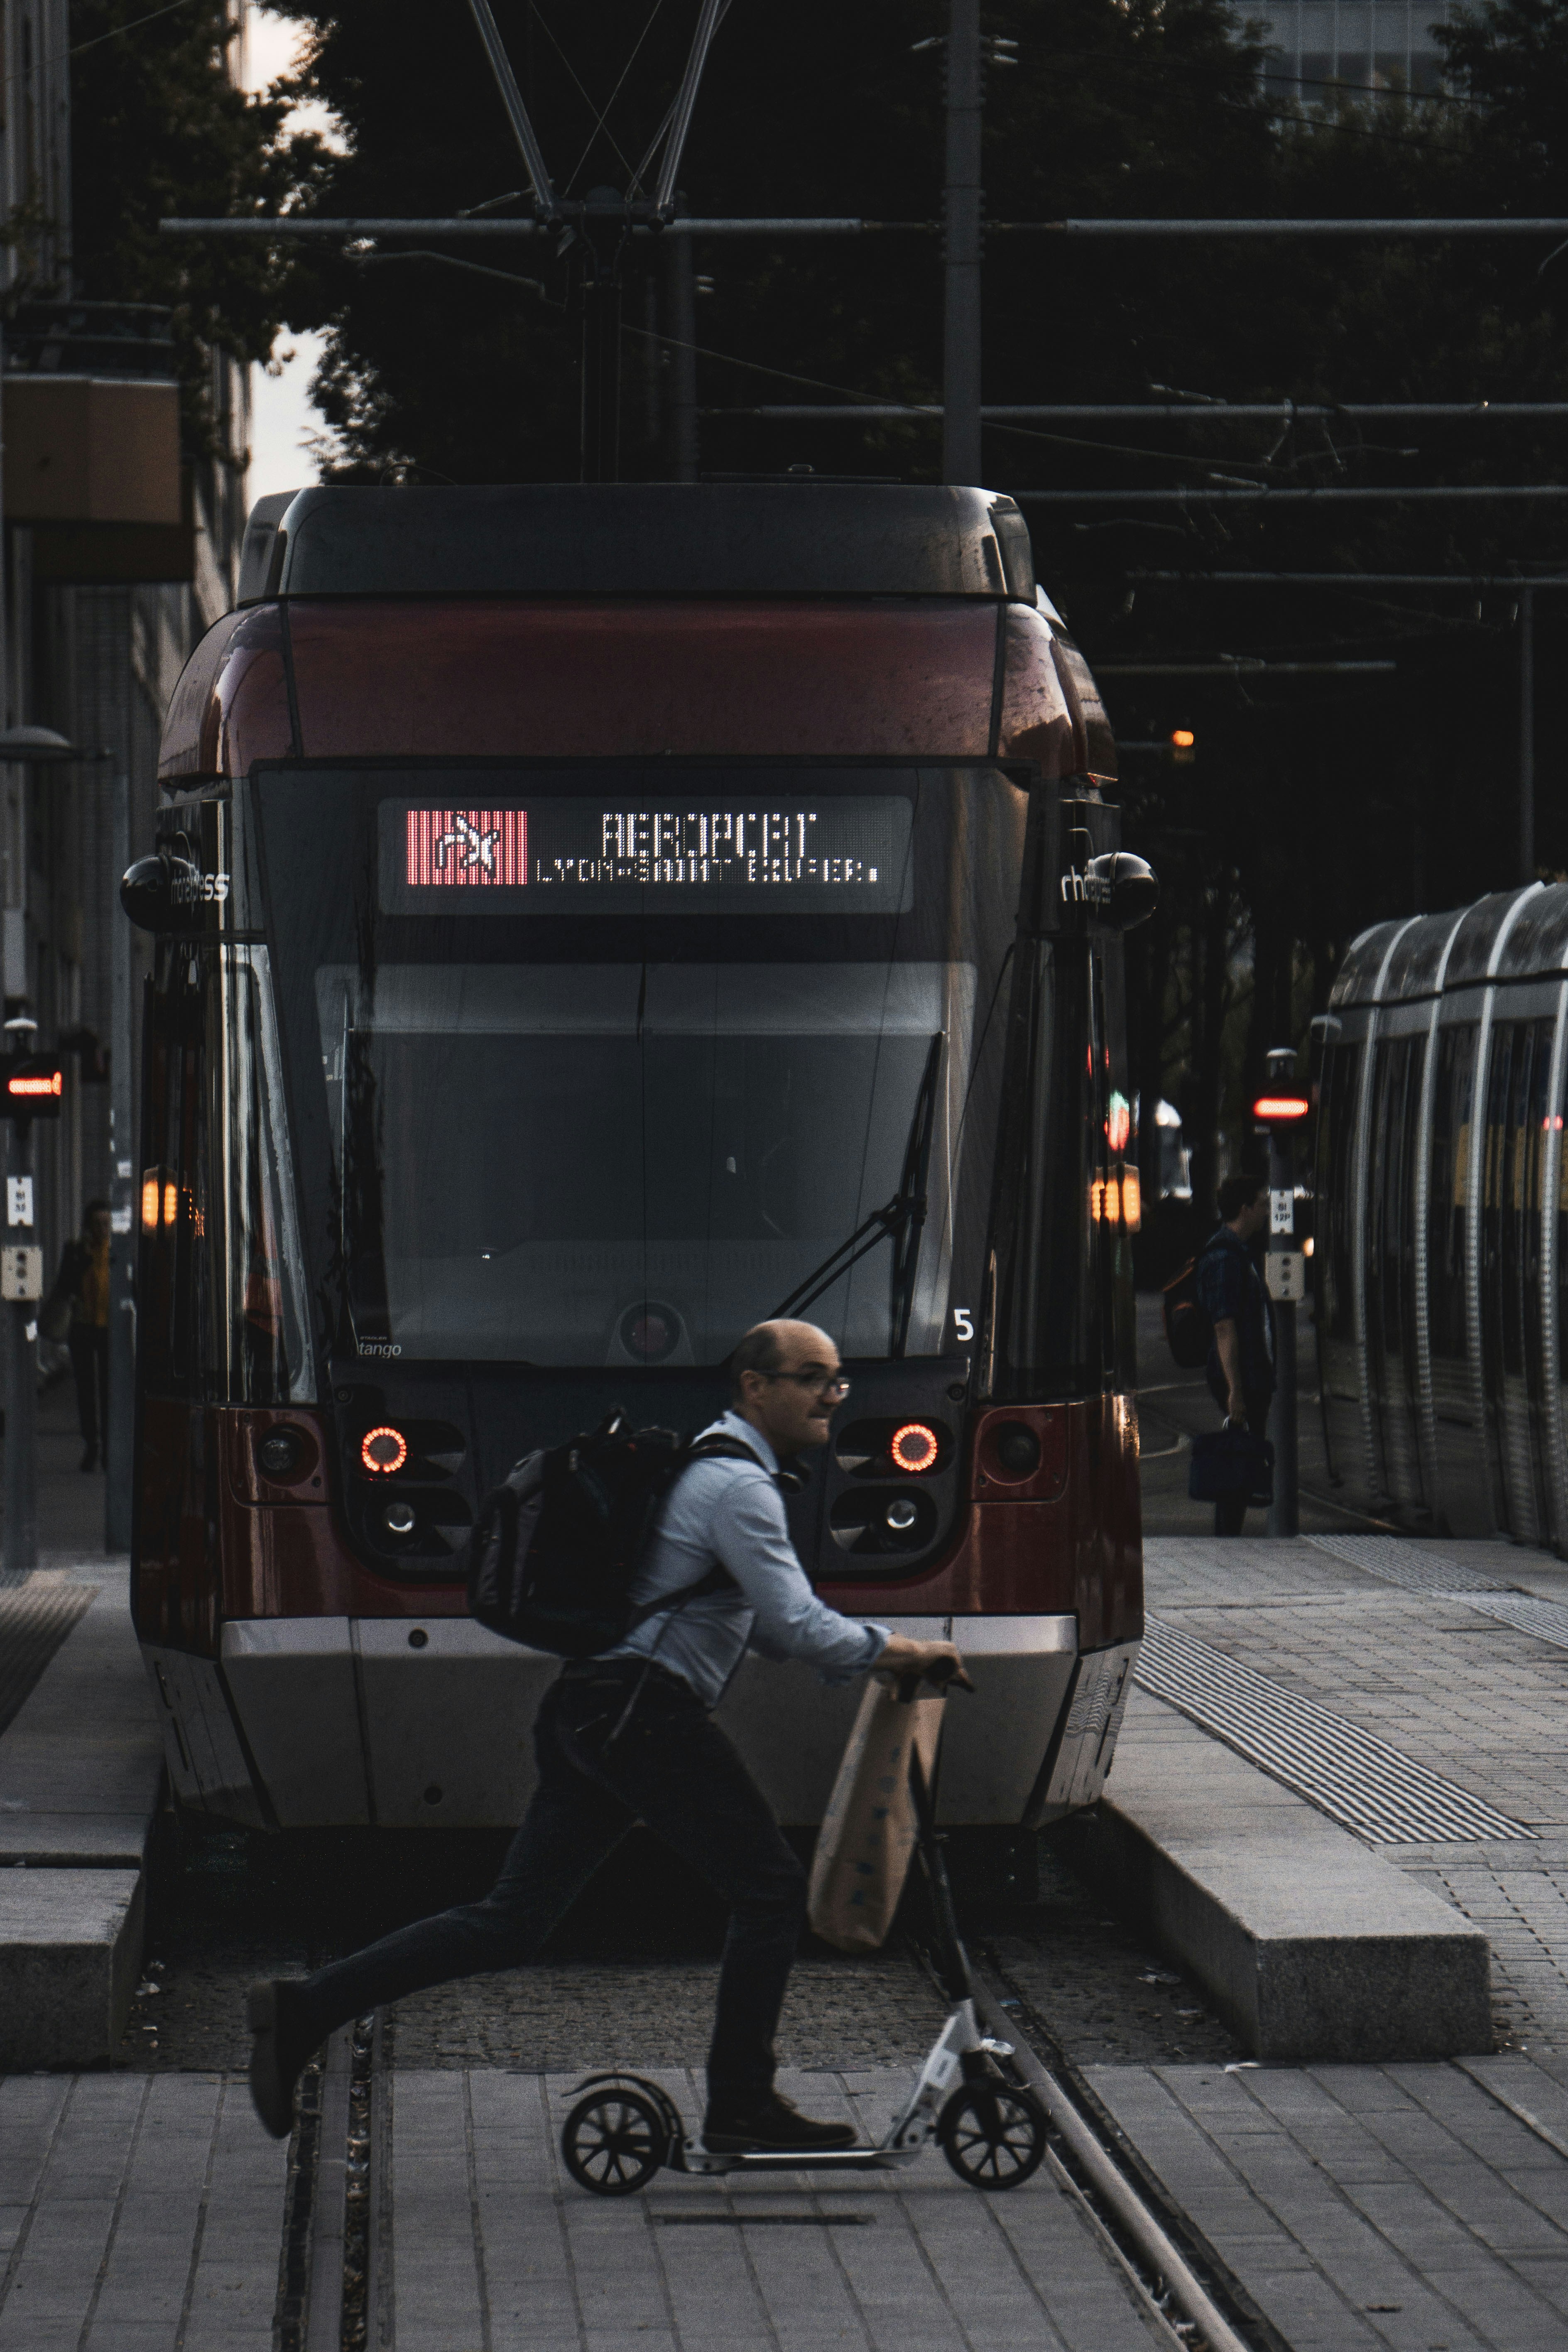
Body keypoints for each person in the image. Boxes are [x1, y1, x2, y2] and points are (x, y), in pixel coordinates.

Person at [247, 1316, 965, 2151]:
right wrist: (906, 1651)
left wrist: (869, 1663)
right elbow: (799, 1624)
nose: (831, 1396)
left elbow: (767, 1629)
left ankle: (304, 2009)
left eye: (836, 1379)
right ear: (754, 1387)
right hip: (639, 1714)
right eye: (811, 1378)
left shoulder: (717, 1473)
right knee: (768, 1890)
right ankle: (741, 2108)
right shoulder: (739, 1488)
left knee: (511, 1923)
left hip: (592, 1708)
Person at [1195, 1175, 1275, 1537]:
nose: (1267, 1212)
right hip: (1242, 1374)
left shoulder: (1238, 1253)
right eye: (1262, 1204)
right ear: (1245, 1209)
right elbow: (1224, 1326)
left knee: (1242, 1453)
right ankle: (1228, 1537)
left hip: (1250, 1372)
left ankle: (1231, 1533)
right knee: (1237, 1454)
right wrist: (1235, 1389)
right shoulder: (1225, 1257)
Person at [48, 1200, 110, 1472]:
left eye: (106, 1223)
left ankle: (109, 1446)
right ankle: (92, 1444)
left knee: (109, 1391)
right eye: (97, 1224)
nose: (102, 1229)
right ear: (88, 1226)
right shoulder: (76, 1251)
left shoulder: (117, 1251)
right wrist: (82, 1257)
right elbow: (65, 1285)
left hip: (109, 1328)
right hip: (83, 1327)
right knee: (86, 1390)